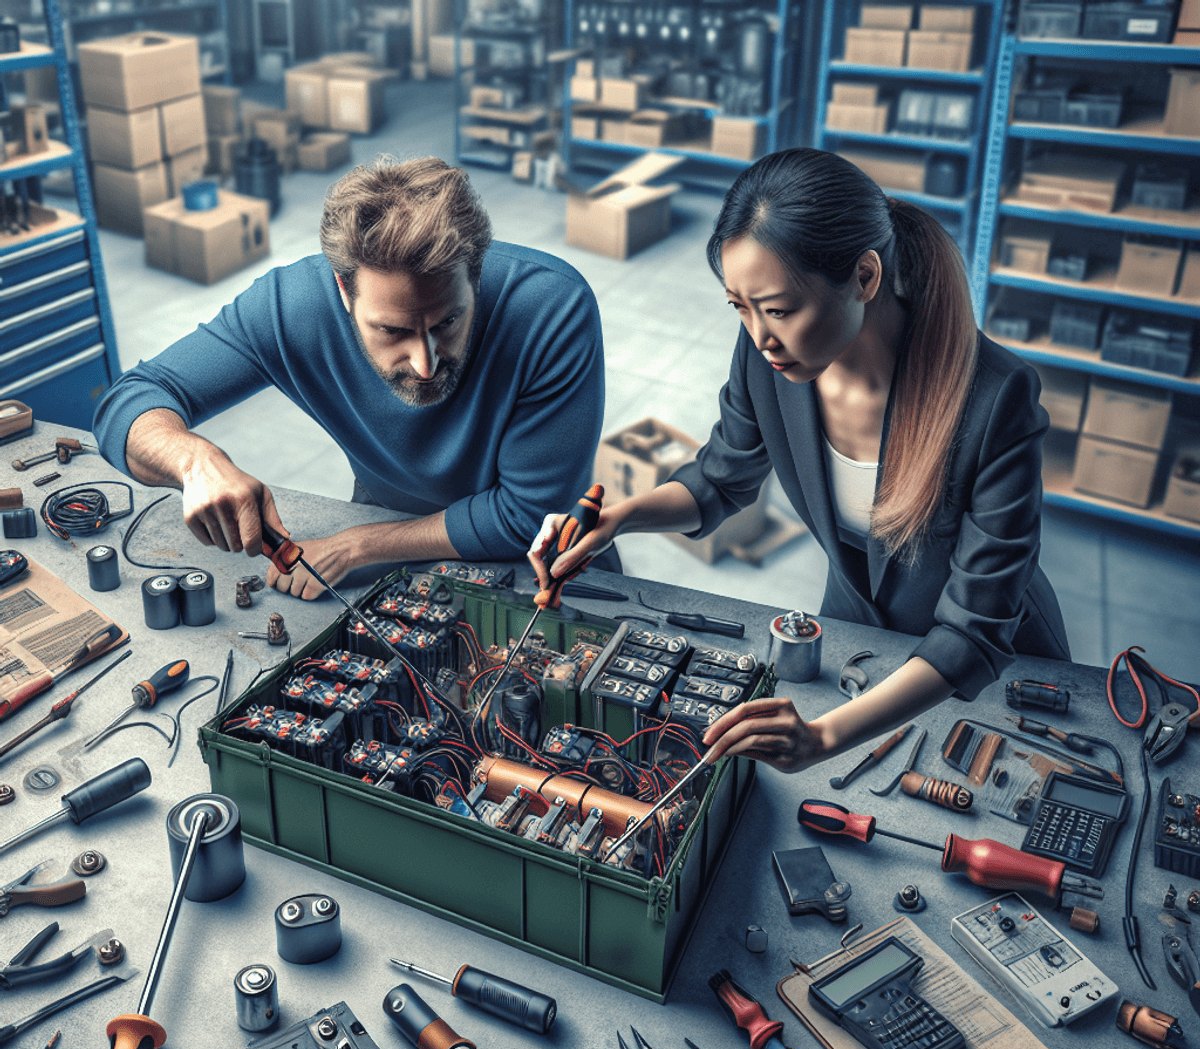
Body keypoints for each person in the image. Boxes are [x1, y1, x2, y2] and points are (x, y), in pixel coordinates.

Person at [531, 148, 1069, 773]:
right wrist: (619, 520)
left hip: (993, 671)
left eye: (780, 310)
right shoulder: (768, 358)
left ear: (864, 278)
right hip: (854, 630)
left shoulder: (996, 399)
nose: (761, 336)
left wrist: (821, 738)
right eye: (740, 307)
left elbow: (974, 630)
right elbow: (718, 479)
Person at [93, 155, 606, 598]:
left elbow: (529, 516)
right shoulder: (291, 308)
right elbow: (128, 404)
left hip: (538, 567)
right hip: (385, 521)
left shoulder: (550, 308)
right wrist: (194, 460)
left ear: (476, 275)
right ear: (343, 291)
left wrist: (361, 547)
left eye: (448, 322)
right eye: (392, 330)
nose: (425, 364)